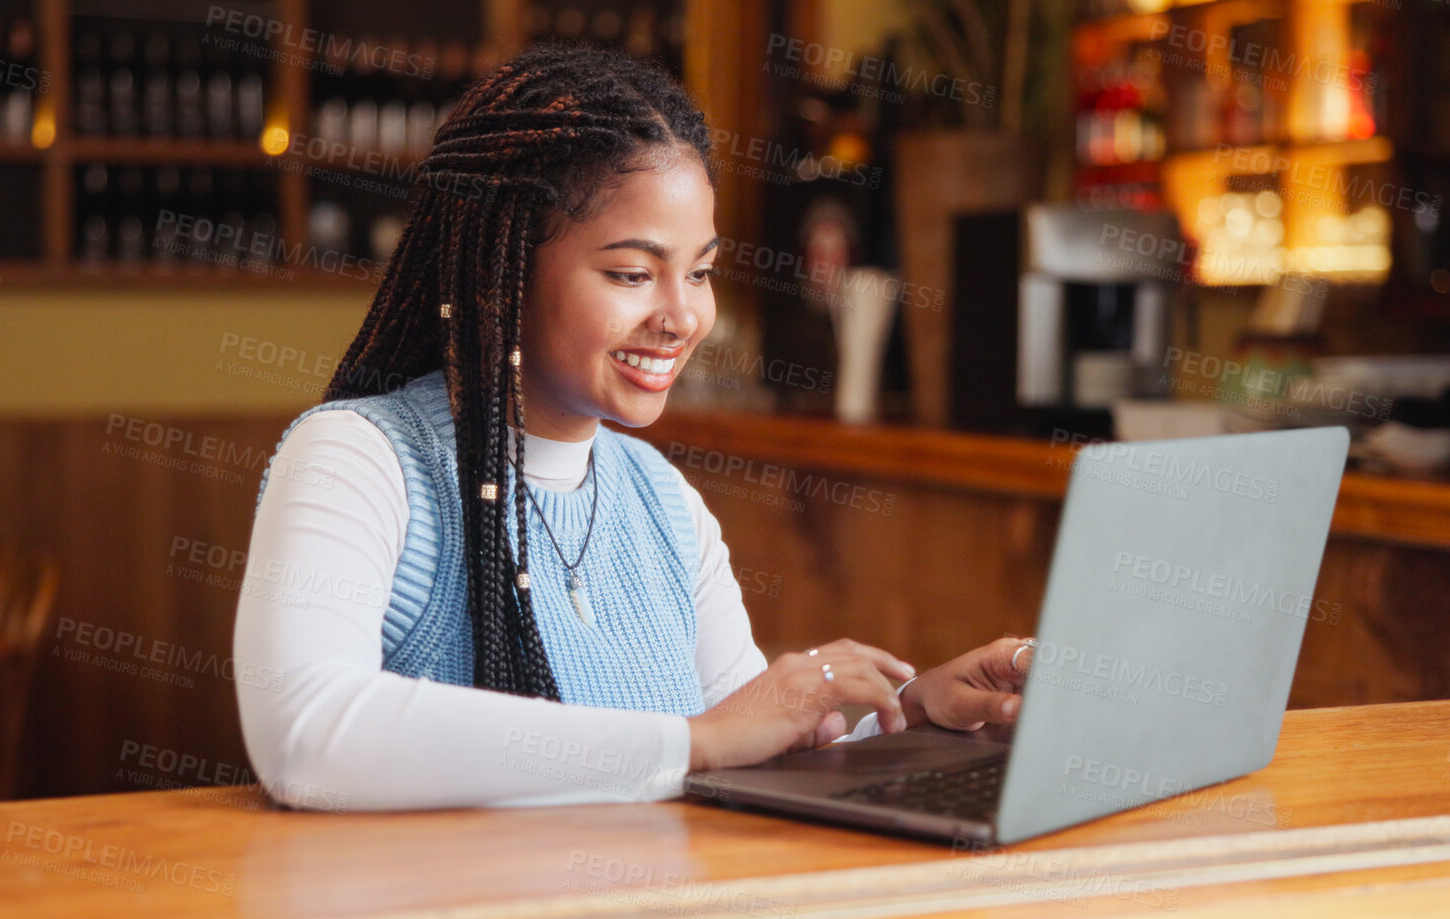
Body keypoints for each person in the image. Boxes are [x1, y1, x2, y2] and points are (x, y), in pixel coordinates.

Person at [233, 44, 1032, 811]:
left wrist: (909, 710)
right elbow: (304, 738)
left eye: (700, 271)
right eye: (631, 274)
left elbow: (751, 739)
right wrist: (695, 741)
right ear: (500, 266)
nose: (684, 317)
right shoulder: (357, 459)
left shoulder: (663, 501)